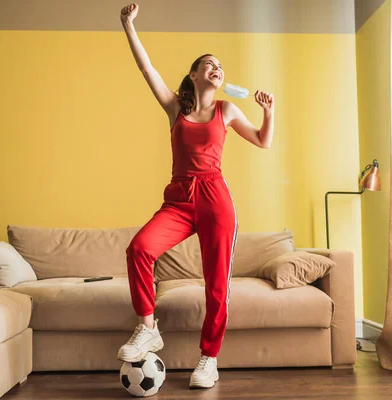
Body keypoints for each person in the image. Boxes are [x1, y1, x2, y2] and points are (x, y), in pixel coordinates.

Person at [117, 2, 275, 389]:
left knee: (217, 285)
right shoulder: (176, 109)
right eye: (208, 63)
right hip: (179, 199)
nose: (216, 67)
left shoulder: (227, 109)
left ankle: (208, 360)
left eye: (220, 65)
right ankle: (148, 327)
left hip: (215, 199)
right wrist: (128, 25)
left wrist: (270, 112)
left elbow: (261, 142)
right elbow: (147, 69)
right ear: (193, 74)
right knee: (139, 248)